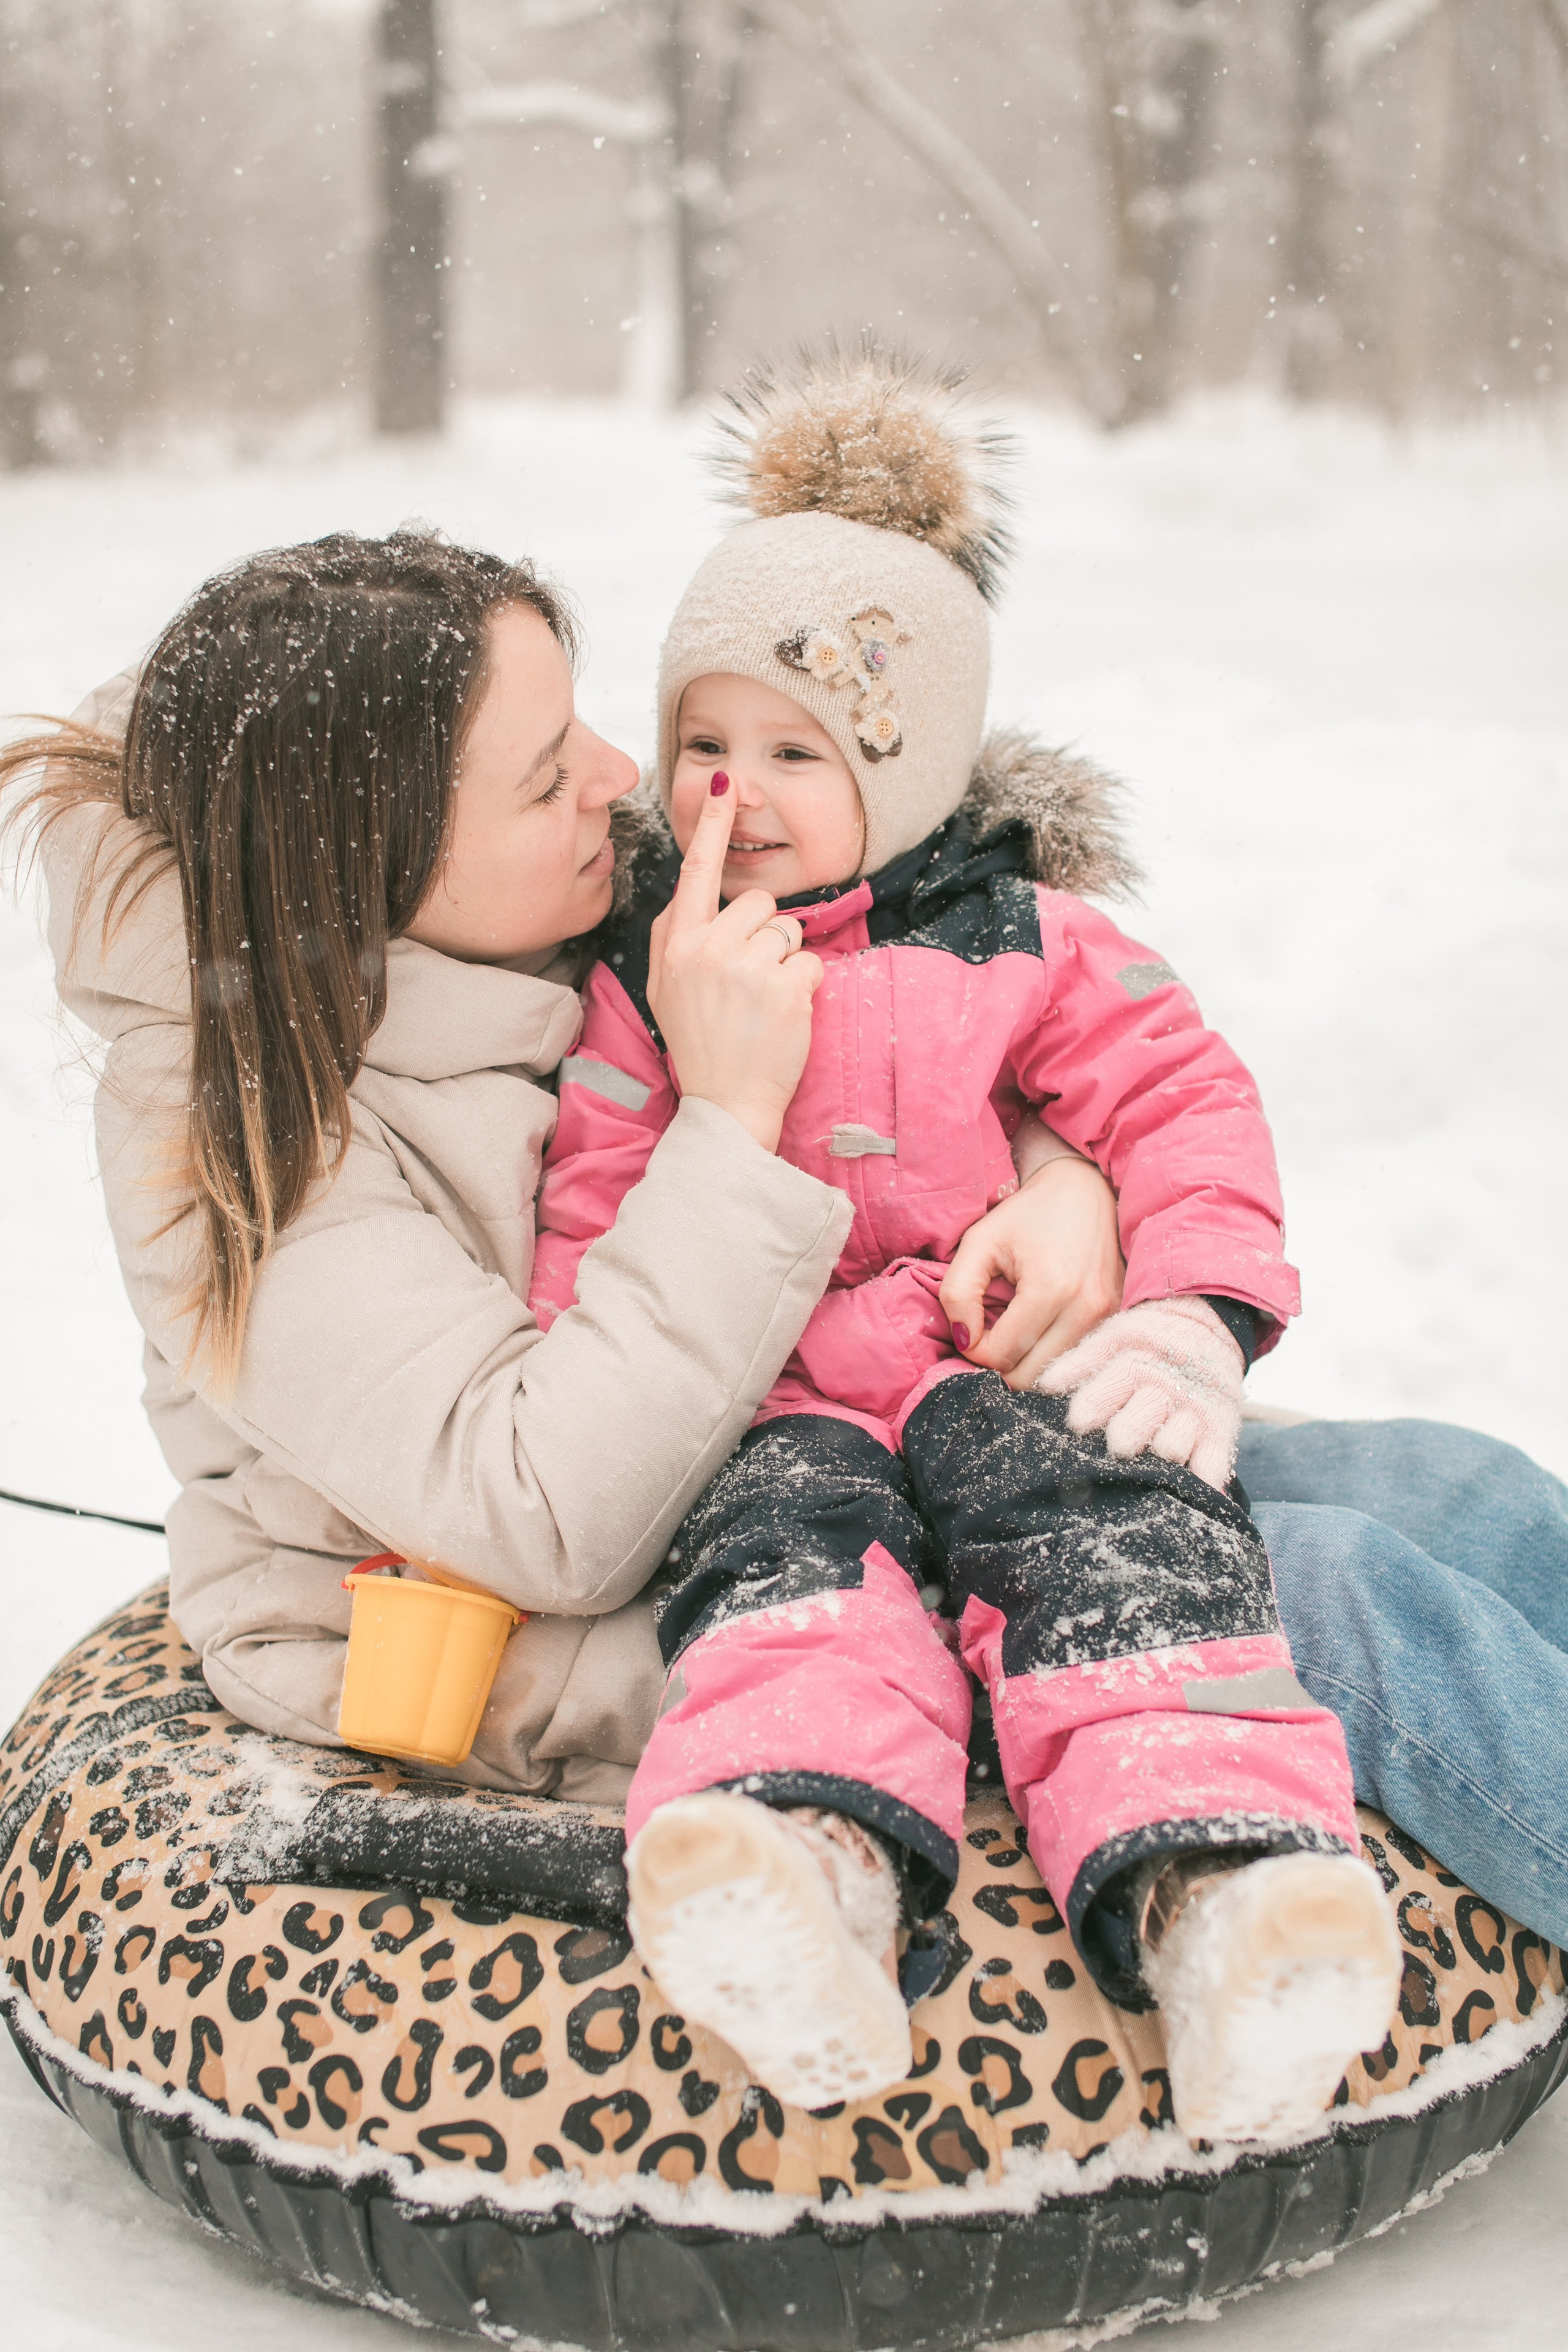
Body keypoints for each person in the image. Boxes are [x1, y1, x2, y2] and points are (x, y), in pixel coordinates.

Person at [527, 351, 1399, 2139]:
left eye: (798, 752)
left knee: (1127, 1551)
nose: (735, 797)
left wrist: (1193, 1318)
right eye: (703, 744)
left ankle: (1232, 1899)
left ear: (908, 771)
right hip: (774, 1409)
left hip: (1008, 1363)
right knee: (790, 1600)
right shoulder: (646, 973)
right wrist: (596, 1418)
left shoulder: (1026, 940)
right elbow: (593, 1218)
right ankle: (806, 1880)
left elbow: (1180, 1101)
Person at [0, 526, 1119, 1811]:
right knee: (1259, 1601)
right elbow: (541, 1519)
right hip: (501, 1646)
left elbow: (926, 1026)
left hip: (820, 1457)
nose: (619, 773)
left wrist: (1060, 1173)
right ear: (370, 864)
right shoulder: (231, 1140)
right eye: (543, 780)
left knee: (1345, 1497)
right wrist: (729, 1118)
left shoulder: (553, 908)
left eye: (580, 722)